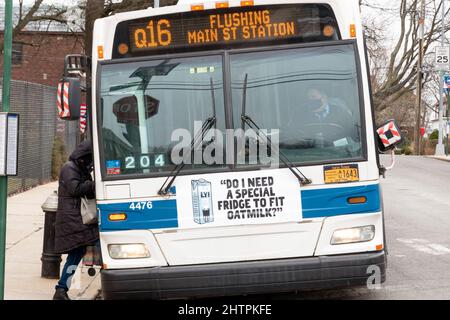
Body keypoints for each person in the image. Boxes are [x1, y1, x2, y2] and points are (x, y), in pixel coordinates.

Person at [53, 140, 98, 300]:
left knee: (76, 253)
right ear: (83, 157)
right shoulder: (69, 168)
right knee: (99, 242)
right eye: (90, 159)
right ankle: (61, 288)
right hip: (73, 220)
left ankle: (61, 288)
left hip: (78, 219)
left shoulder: (80, 168)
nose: (91, 163)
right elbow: (75, 189)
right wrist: (95, 184)